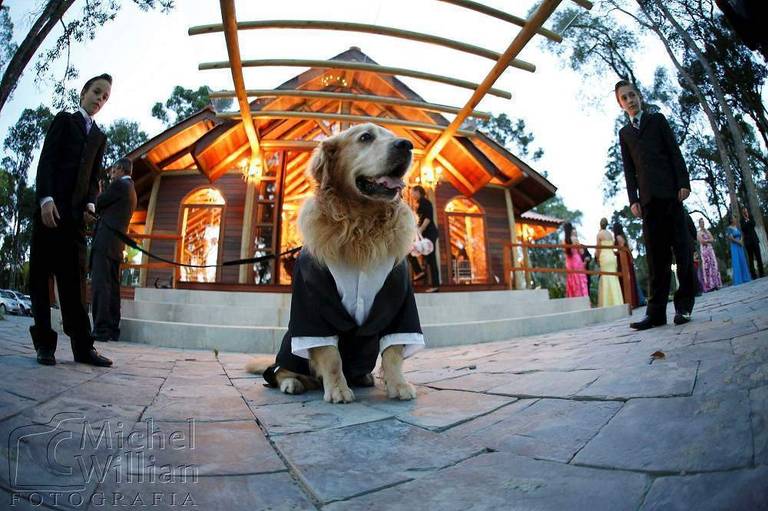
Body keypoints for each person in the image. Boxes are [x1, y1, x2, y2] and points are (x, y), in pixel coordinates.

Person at [29, 74, 114, 366]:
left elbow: (93, 178)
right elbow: (47, 161)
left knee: (75, 284)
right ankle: (44, 345)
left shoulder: (100, 137)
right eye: (97, 92)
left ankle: (82, 348)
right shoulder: (65, 121)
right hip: (50, 213)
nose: (100, 99)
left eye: (105, 97)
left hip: (76, 220)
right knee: (41, 279)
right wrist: (45, 199)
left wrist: (90, 203)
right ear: (84, 92)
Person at [616, 80, 696, 330]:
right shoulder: (624, 134)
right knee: (655, 259)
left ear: (639, 96)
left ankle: (683, 307)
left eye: (632, 95)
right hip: (648, 202)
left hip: (671, 195)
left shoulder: (657, 120)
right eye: (624, 98)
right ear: (620, 104)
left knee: (682, 252)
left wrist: (683, 182)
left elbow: (674, 152)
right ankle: (656, 314)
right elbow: (629, 169)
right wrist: (633, 199)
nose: (630, 100)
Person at [90, 158, 137, 342]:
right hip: (116, 244)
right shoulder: (131, 190)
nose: (111, 174)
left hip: (105, 241)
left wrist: (99, 192)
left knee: (101, 285)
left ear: (120, 169)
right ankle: (112, 329)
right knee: (112, 288)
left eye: (113, 170)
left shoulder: (119, 185)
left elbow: (98, 203)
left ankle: (101, 329)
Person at [411, 185, 439, 292]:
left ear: (418, 192)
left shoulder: (425, 202)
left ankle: (435, 285)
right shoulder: (419, 203)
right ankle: (419, 272)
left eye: (413, 192)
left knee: (431, 259)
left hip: (429, 234)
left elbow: (428, 218)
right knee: (411, 252)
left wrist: (420, 230)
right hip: (424, 234)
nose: (412, 194)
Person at [596, 218, 624, 307]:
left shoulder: (599, 234)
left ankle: (607, 303)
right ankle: (617, 301)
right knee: (613, 277)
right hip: (611, 256)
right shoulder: (610, 234)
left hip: (604, 256)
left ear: (600, 224)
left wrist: (597, 258)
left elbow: (598, 248)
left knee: (605, 276)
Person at [612, 222, 640, 308]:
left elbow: (621, 249)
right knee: (630, 277)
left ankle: (629, 301)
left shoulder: (618, 237)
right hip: (627, 257)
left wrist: (614, 252)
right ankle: (634, 301)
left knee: (625, 277)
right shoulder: (623, 236)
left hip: (623, 258)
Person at [563, 222, 588, 298]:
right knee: (579, 279)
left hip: (568, 262)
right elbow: (581, 251)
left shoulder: (564, 241)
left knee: (571, 279)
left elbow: (565, 253)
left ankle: (573, 297)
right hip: (576, 260)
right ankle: (582, 297)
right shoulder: (575, 239)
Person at [697, 218, 722, 292]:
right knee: (707, 267)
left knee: (713, 265)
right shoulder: (698, 233)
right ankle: (709, 286)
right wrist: (708, 240)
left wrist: (707, 240)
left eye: (703, 222)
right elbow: (702, 241)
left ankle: (716, 284)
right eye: (701, 223)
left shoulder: (707, 231)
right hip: (704, 251)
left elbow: (712, 239)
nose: (702, 224)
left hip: (710, 249)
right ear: (699, 224)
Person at [728, 214, 752, 285]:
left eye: (735, 218)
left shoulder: (736, 227)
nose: (735, 219)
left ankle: (745, 277)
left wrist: (741, 240)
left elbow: (740, 235)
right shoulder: (729, 228)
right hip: (734, 246)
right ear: (731, 220)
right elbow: (731, 238)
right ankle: (739, 279)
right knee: (737, 261)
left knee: (742, 260)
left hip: (740, 245)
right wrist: (739, 242)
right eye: (734, 218)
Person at [741, 206, 764, 279]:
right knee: (750, 258)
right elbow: (743, 229)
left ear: (747, 211)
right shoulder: (741, 220)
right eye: (744, 212)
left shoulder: (750, 217)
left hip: (754, 240)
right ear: (742, 212)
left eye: (746, 211)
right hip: (748, 242)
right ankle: (753, 275)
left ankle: (761, 273)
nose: (745, 212)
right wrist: (746, 221)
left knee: (758, 256)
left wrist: (748, 219)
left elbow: (753, 224)